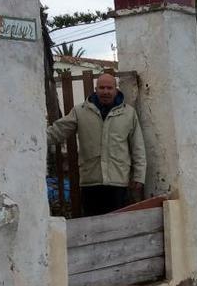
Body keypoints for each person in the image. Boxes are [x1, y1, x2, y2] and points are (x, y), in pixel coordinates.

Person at [48, 72, 146, 216]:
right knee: (92, 227)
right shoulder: (80, 112)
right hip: (90, 183)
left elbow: (138, 147)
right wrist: (32, 141)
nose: (105, 91)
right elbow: (58, 131)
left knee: (116, 227)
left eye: (109, 88)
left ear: (116, 89)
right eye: (101, 88)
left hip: (118, 183)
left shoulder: (129, 114)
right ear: (95, 89)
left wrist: (139, 175)